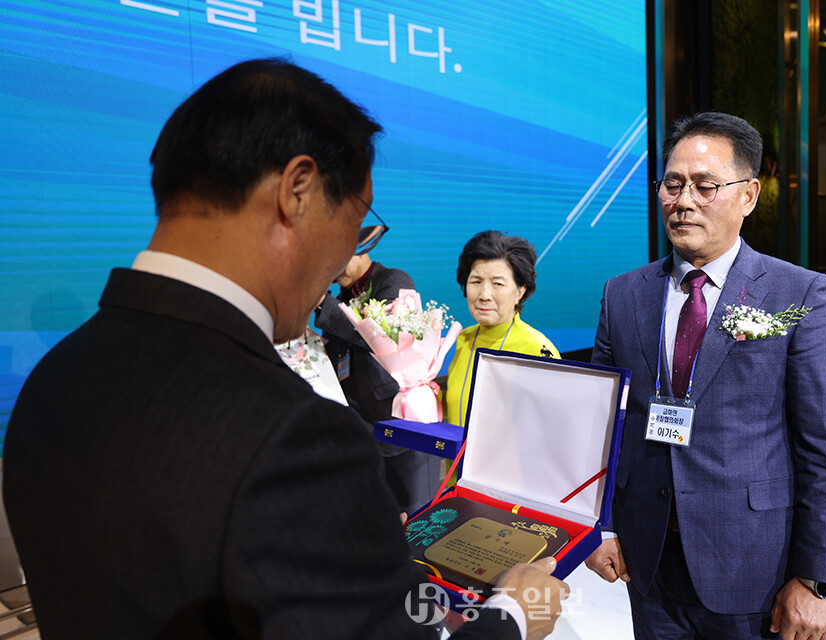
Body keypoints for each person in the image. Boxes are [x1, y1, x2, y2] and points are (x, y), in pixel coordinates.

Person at [3, 58, 567, 640]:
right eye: (357, 221)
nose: (350, 252)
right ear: (297, 191)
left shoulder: (52, 383)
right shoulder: (297, 438)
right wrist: (514, 614)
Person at [586, 112, 826, 640]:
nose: (683, 201)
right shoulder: (623, 293)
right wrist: (600, 527)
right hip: (648, 559)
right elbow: (601, 425)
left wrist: (818, 582)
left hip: (754, 566)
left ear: (748, 195)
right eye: (672, 184)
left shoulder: (799, 294)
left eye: (704, 186)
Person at [314, 249, 440, 515]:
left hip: (401, 423)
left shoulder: (394, 281)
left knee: (417, 515)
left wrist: (321, 302)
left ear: (360, 248)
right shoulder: (341, 298)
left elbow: (380, 336)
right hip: (362, 430)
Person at [444, 230, 560, 427]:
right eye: (476, 282)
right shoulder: (464, 338)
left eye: (497, 283)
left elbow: (553, 423)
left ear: (520, 291)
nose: (484, 295)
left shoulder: (537, 349)